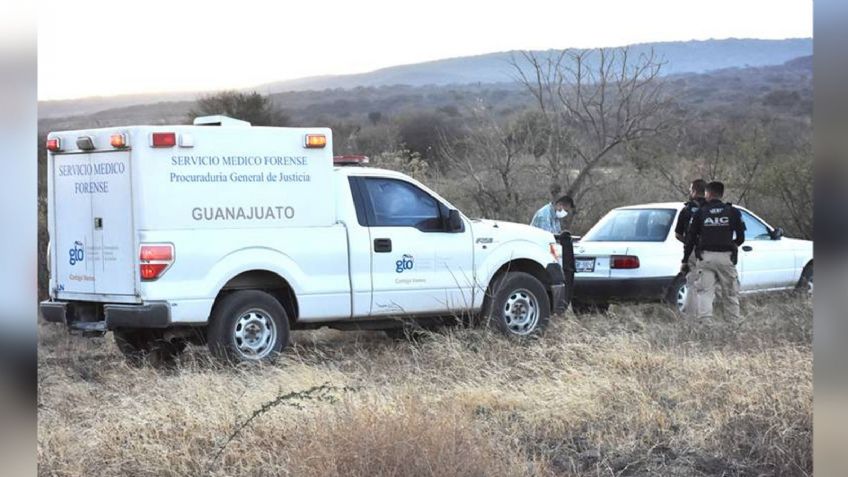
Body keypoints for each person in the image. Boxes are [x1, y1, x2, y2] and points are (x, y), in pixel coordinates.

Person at [681, 181, 746, 322]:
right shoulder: (733, 212)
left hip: (705, 258)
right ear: (721, 194)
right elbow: (741, 238)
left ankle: (705, 325)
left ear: (708, 194)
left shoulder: (700, 212)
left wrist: (685, 260)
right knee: (730, 293)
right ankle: (733, 325)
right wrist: (732, 246)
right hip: (726, 258)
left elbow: (690, 239)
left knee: (705, 293)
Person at [531, 194, 576, 306]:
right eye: (565, 209)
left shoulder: (555, 217)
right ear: (559, 205)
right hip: (537, 253)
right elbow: (547, 239)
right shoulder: (544, 215)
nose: (565, 213)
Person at [675, 179, 707, 317]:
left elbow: (678, 234)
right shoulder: (711, 208)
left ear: (693, 191)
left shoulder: (686, 210)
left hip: (693, 251)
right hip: (714, 251)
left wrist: (689, 243)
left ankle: (691, 319)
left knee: (692, 284)